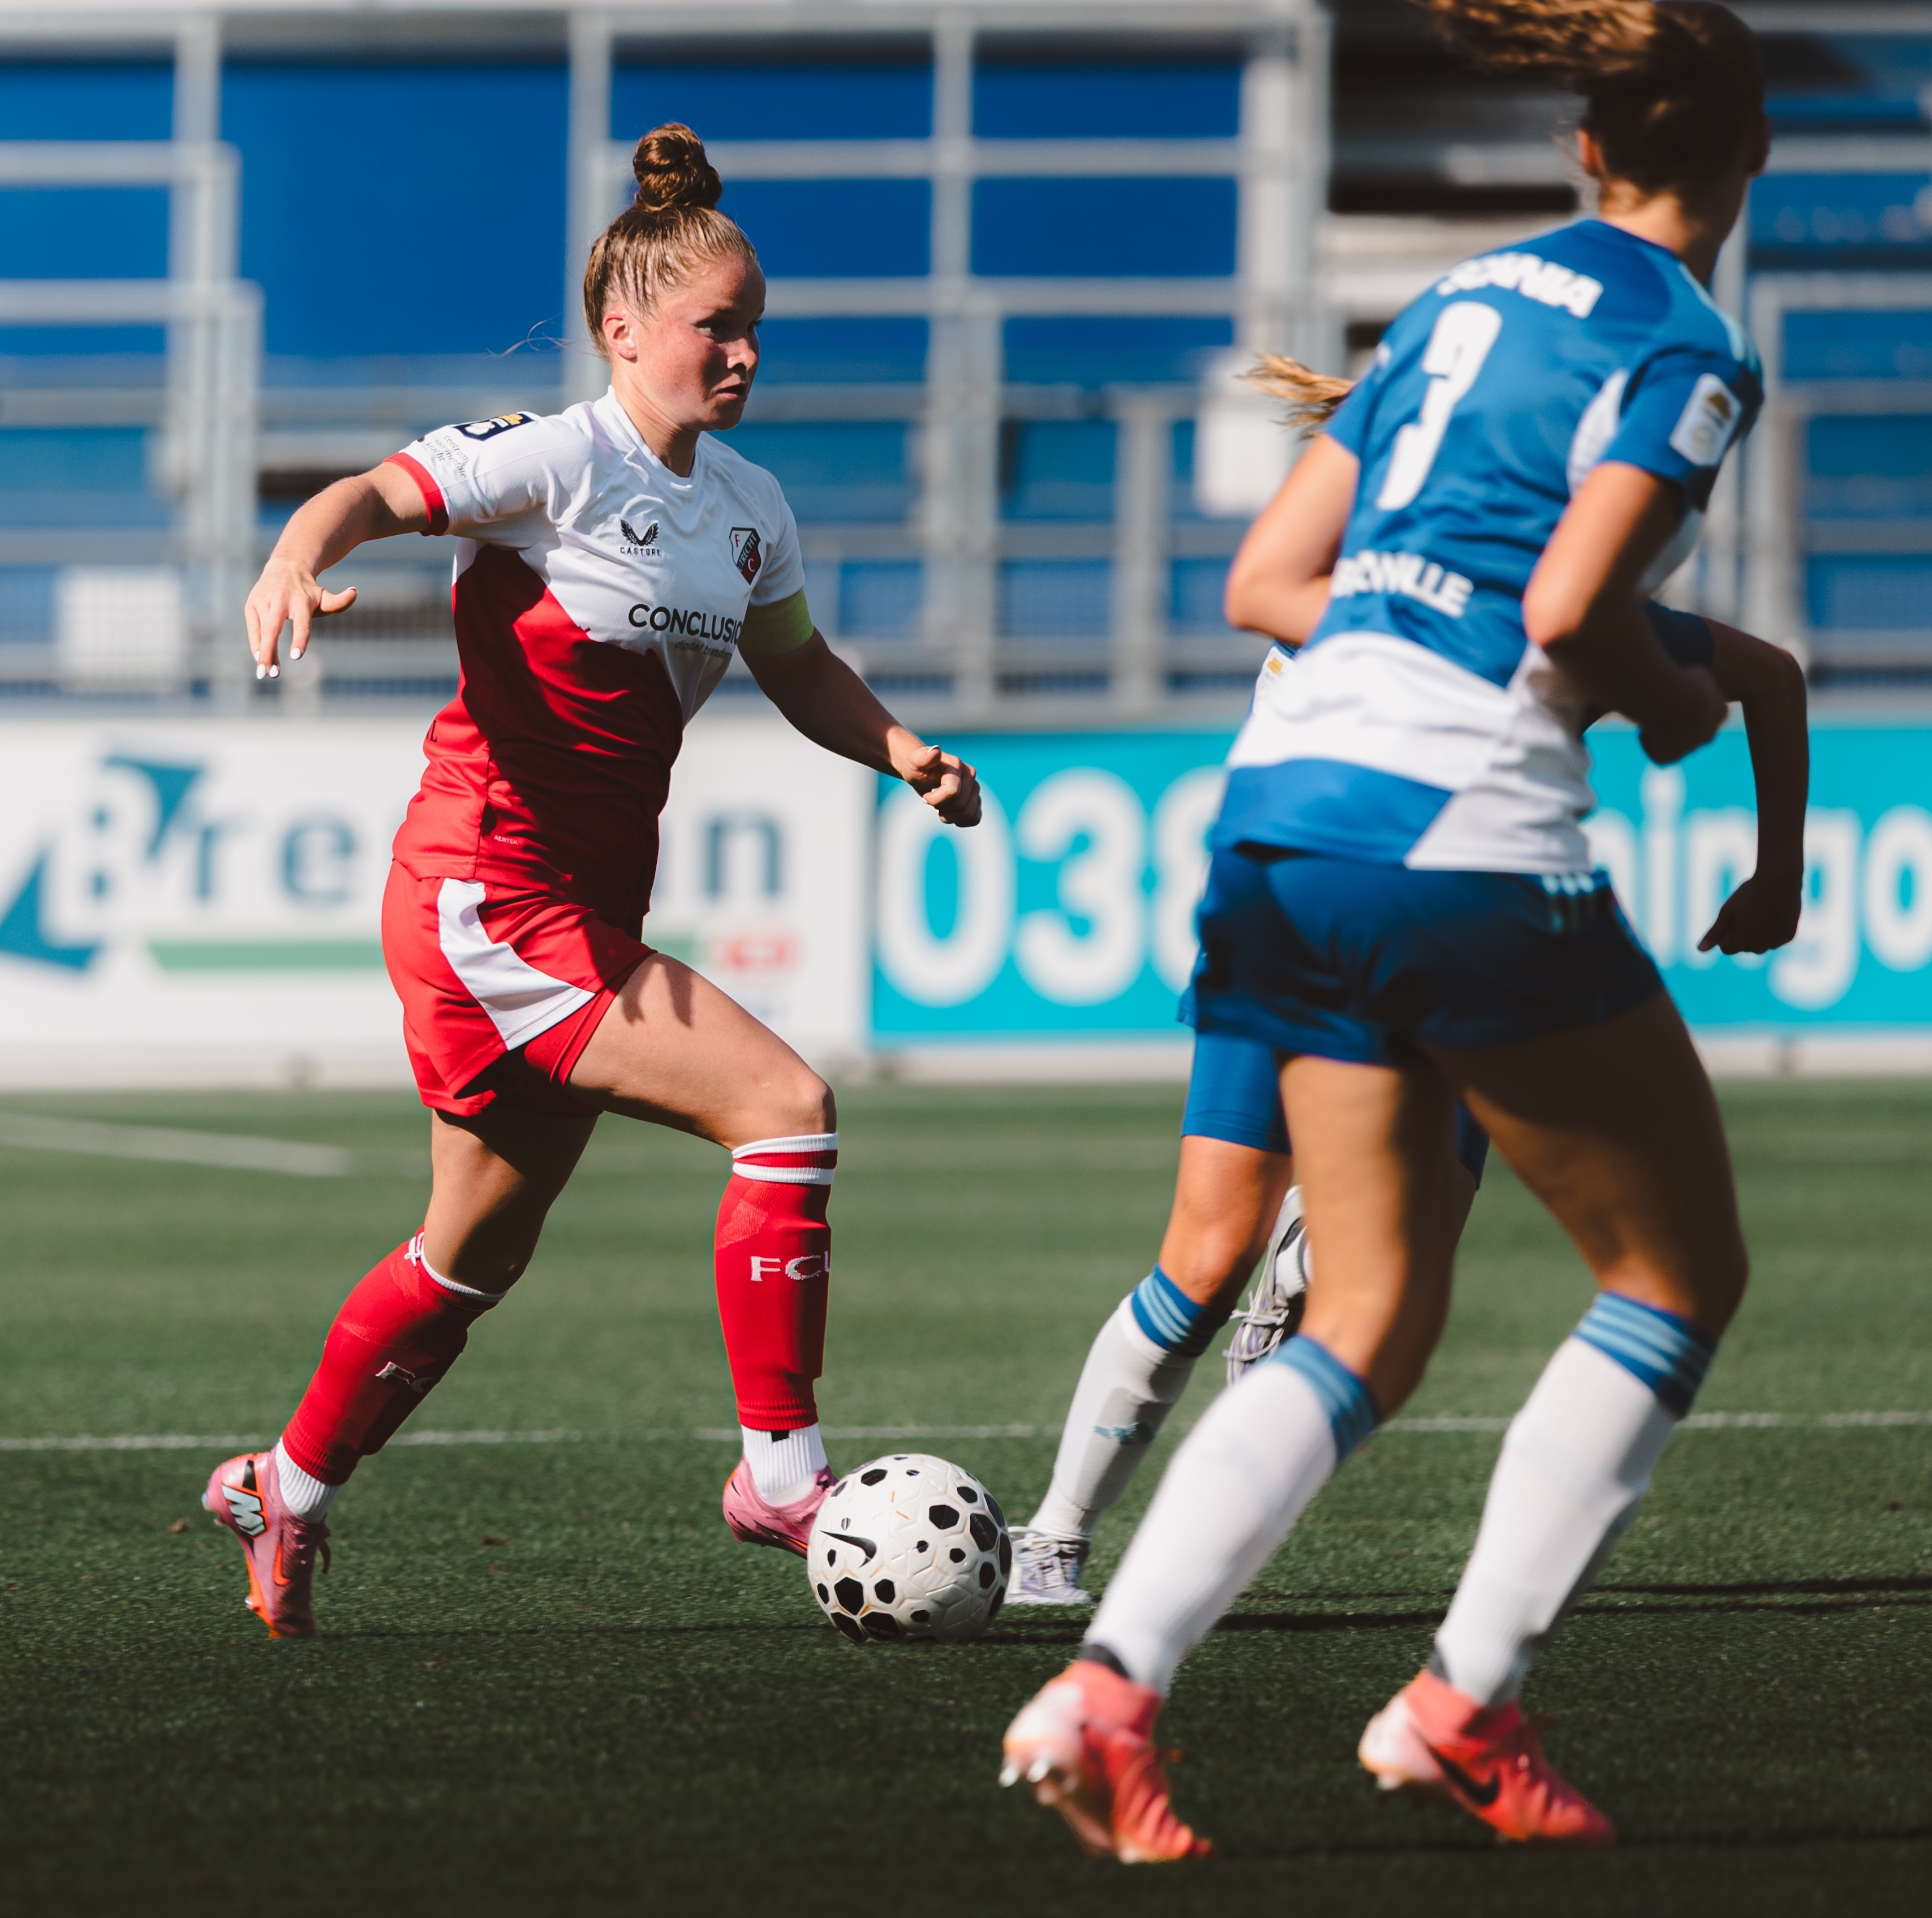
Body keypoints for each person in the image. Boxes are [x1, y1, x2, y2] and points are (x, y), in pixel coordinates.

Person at [1001, 0, 1792, 1857]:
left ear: (1580, 150)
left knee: (1352, 1315)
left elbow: (1262, 579)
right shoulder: (1682, 345)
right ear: (1743, 155)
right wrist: (1665, 704)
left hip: (1277, 813)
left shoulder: (1452, 305)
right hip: (1457, 833)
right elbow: (1573, 598)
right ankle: (1455, 1705)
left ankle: (1102, 1695)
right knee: (1670, 1279)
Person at [204, 125, 982, 1639]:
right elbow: (367, 491)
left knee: (468, 1257)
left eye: (754, 323)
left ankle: (280, 1490)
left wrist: (899, 749)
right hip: (487, 892)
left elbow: (792, 662)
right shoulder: (555, 458)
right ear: (622, 328)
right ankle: (779, 1468)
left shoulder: (749, 506)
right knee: (784, 1105)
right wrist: (295, 553)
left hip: (576, 903)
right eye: (716, 324)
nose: (743, 349)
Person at [1005, 352, 1808, 1610]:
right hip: (1324, 923)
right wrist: (1686, 743)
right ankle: (1054, 1539)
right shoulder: (1430, 587)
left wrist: (1779, 872)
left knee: (1380, 1292)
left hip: (1406, 936)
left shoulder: (1533, 591)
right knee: (1208, 1261)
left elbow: (1768, 677)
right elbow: (1723, 688)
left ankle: (1111, 1581)